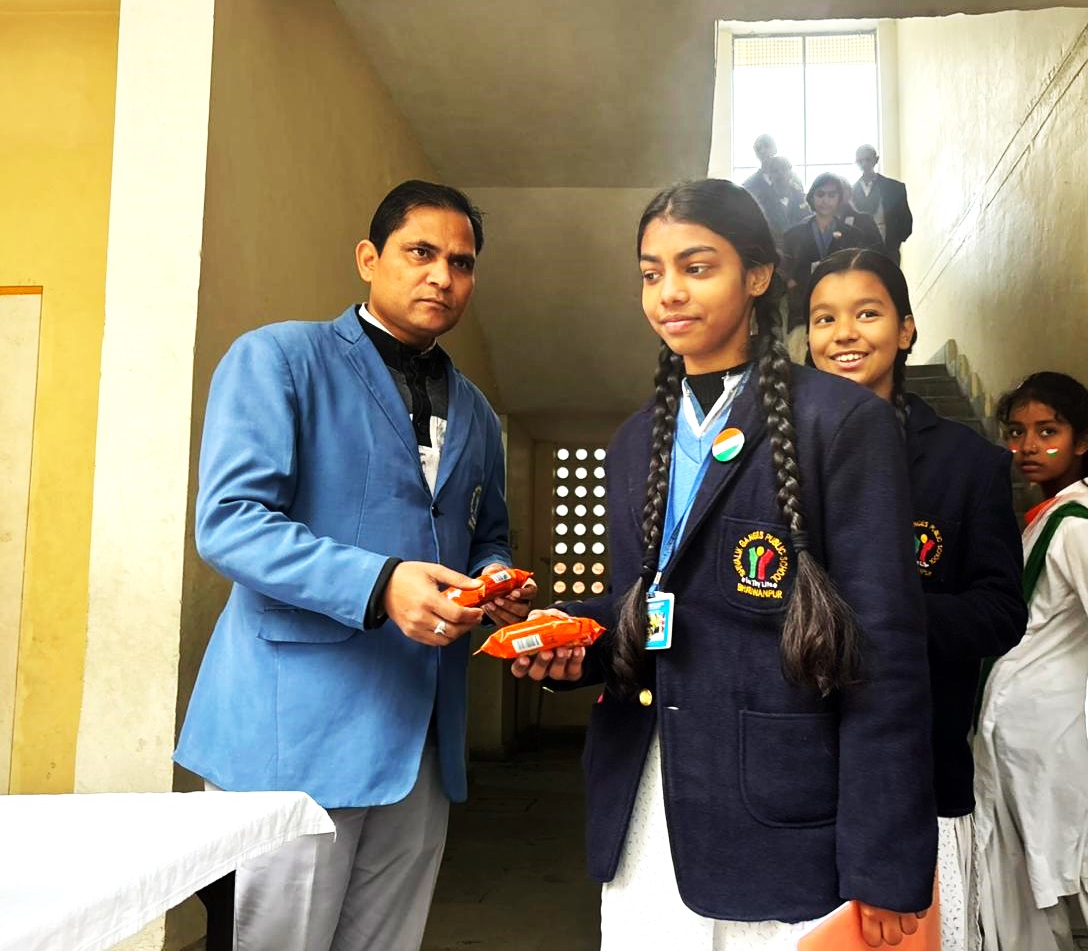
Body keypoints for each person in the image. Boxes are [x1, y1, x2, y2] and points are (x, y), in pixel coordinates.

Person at [514, 179, 936, 950]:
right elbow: (638, 606)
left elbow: (886, 655)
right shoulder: (634, 441)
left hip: (778, 812)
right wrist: (572, 642)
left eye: (697, 267)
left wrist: (883, 864)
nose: (669, 292)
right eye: (651, 273)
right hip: (646, 798)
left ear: (759, 275)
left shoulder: (840, 423)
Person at [174, 179, 535, 951]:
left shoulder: (476, 411)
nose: (442, 276)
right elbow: (230, 522)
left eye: (462, 263)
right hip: (292, 732)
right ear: (369, 259)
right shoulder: (280, 358)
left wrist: (494, 581)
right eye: (420, 252)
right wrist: (380, 583)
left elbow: (486, 533)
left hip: (421, 737)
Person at [805, 248, 1027, 951]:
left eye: (867, 313)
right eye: (824, 318)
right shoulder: (772, 454)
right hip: (793, 772)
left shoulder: (969, 464)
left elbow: (1000, 611)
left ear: (905, 329)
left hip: (919, 769)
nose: (844, 333)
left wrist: (884, 616)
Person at [974, 371, 1088, 951]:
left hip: (1053, 734)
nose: (1028, 446)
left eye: (1048, 432)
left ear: (1082, 440)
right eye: (1017, 432)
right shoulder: (1047, 515)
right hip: (1020, 735)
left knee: (1062, 869)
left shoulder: (1077, 526)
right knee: (1033, 876)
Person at [781, 173, 864, 359]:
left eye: (832, 195)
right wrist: (792, 282)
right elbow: (784, 270)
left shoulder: (853, 235)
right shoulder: (793, 235)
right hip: (802, 308)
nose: (825, 200)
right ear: (811, 197)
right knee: (799, 359)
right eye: (820, 194)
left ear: (839, 199)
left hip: (842, 305)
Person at [852, 145, 913, 265]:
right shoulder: (850, 192)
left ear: (876, 160)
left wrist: (895, 241)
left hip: (889, 247)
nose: (864, 164)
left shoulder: (895, 188)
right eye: (860, 161)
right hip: (861, 250)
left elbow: (905, 218)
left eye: (867, 159)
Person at [746, 155, 809, 249]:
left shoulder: (804, 199)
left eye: (784, 169)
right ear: (769, 176)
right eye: (775, 170)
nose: (780, 173)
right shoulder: (760, 201)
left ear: (791, 174)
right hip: (771, 249)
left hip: (800, 249)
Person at [837, 177, 883, 252]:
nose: (838, 194)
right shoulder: (819, 222)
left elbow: (878, 251)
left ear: (850, 193)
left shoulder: (865, 220)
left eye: (842, 189)